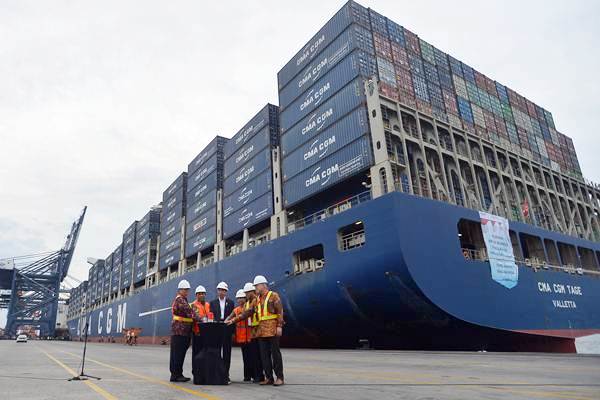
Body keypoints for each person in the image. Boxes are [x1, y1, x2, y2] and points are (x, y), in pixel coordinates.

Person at [227, 276, 284, 386]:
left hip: (272, 330)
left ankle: (280, 377)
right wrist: (233, 320)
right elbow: (246, 313)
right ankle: (269, 378)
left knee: (275, 355)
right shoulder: (256, 300)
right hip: (261, 332)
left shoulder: (273, 296)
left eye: (256, 286)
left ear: (263, 285)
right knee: (264, 356)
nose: (255, 288)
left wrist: (279, 326)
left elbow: (280, 311)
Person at [170, 279, 198, 382]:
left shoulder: (183, 299)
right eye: (185, 290)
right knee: (178, 354)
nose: (187, 292)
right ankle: (176, 375)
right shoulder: (180, 300)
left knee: (178, 353)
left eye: (187, 290)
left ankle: (177, 374)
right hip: (180, 332)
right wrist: (201, 319)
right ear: (180, 290)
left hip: (182, 331)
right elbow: (189, 312)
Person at [209, 281, 234, 381]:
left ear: (226, 292)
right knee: (217, 352)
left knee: (227, 353)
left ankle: (225, 375)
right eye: (220, 290)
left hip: (227, 329)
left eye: (223, 290)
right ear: (217, 291)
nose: (221, 292)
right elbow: (211, 317)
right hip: (217, 329)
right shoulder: (212, 303)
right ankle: (217, 374)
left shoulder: (231, 303)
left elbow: (233, 318)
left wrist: (233, 333)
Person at [228, 289, 253, 382]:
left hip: (251, 337)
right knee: (245, 358)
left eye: (242, 298)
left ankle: (255, 375)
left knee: (253, 357)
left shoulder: (249, 307)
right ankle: (247, 376)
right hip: (242, 338)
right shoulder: (236, 310)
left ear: (245, 298)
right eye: (238, 298)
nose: (240, 300)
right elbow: (229, 318)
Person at [190, 285, 211, 375]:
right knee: (196, 353)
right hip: (197, 333)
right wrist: (203, 319)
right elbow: (196, 316)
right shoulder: (193, 305)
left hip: (206, 333)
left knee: (205, 353)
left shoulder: (208, 305)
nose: (201, 295)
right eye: (199, 294)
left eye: (203, 294)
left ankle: (203, 371)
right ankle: (195, 371)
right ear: (196, 295)